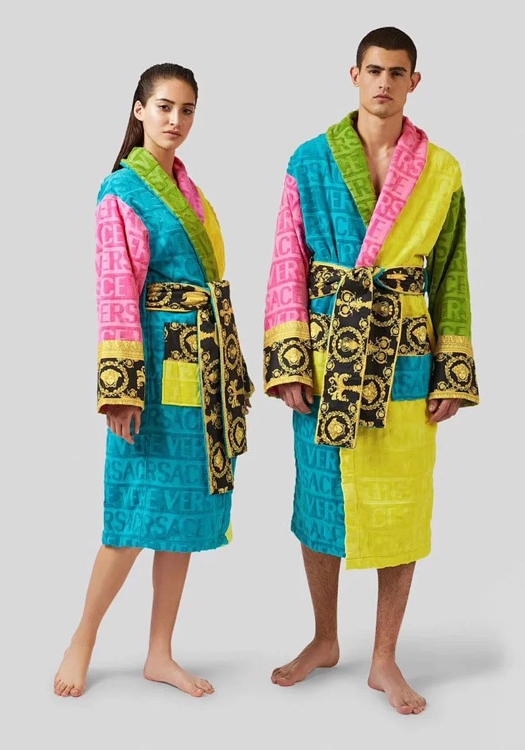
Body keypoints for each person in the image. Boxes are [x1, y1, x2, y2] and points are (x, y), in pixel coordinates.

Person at [262, 26, 479, 715]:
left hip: (405, 361)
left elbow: (449, 275)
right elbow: (287, 260)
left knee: (401, 506)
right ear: (353, 75)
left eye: (397, 72)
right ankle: (325, 638)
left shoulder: (441, 170)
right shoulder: (309, 159)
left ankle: (384, 657)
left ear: (414, 81)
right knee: (320, 499)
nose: (384, 82)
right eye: (373, 70)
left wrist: (451, 372)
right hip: (327, 355)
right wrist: (288, 360)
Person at [54, 63, 253, 699]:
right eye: (165, 106)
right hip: (152, 376)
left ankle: (160, 653)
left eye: (187, 109)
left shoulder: (188, 189)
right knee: (133, 513)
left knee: (181, 513)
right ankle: (83, 637)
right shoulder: (122, 189)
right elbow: (116, 290)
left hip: (201, 370)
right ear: (139, 109)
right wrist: (121, 389)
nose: (176, 120)